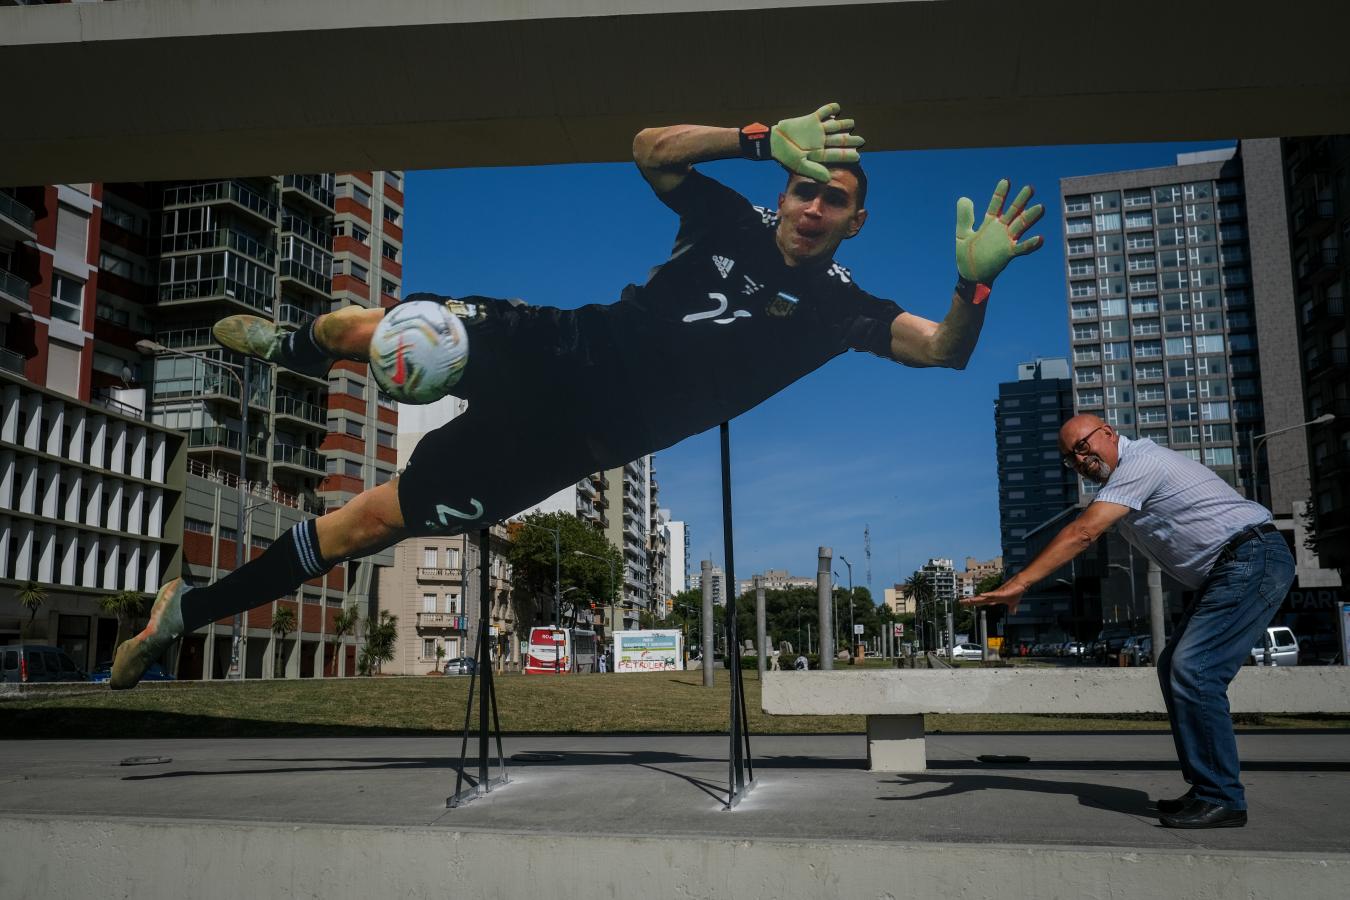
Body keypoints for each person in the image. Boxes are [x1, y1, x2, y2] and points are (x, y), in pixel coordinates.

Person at [111, 102, 1044, 690]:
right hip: (557, 345)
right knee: (379, 333)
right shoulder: (735, 212)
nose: (808, 206)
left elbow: (943, 353)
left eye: (829, 200)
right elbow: (651, 151)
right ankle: (292, 347)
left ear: (855, 221)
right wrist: (757, 140)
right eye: (802, 188)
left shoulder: (846, 308)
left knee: (369, 525)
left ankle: (184, 613)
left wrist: (973, 287)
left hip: (575, 445)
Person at [964, 414, 1295, 829]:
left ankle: (1222, 797)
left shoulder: (1140, 463)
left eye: (1083, 447)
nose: (1081, 461)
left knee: (1194, 671)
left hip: (1251, 559)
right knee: (1174, 665)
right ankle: (1207, 789)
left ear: (1107, 432)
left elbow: (1084, 533)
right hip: (1230, 569)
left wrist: (1020, 582)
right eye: (1071, 458)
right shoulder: (1122, 483)